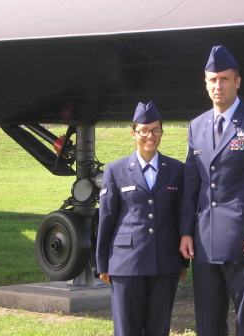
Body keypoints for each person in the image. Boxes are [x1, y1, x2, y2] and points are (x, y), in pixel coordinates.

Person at [179, 46, 244, 336]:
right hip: (204, 241)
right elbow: (192, 182)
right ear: (205, 83)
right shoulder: (197, 126)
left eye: (224, 79)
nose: (218, 86)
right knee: (208, 323)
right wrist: (186, 231)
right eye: (212, 80)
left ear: (237, 82)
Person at [96, 101, 187, 336]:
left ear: (162, 133)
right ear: (133, 133)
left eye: (156, 130)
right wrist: (102, 263)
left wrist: (182, 262)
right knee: (127, 329)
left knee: (159, 328)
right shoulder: (115, 170)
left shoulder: (176, 170)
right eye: (144, 130)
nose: (150, 136)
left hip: (164, 261)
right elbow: (107, 218)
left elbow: (181, 215)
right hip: (126, 262)